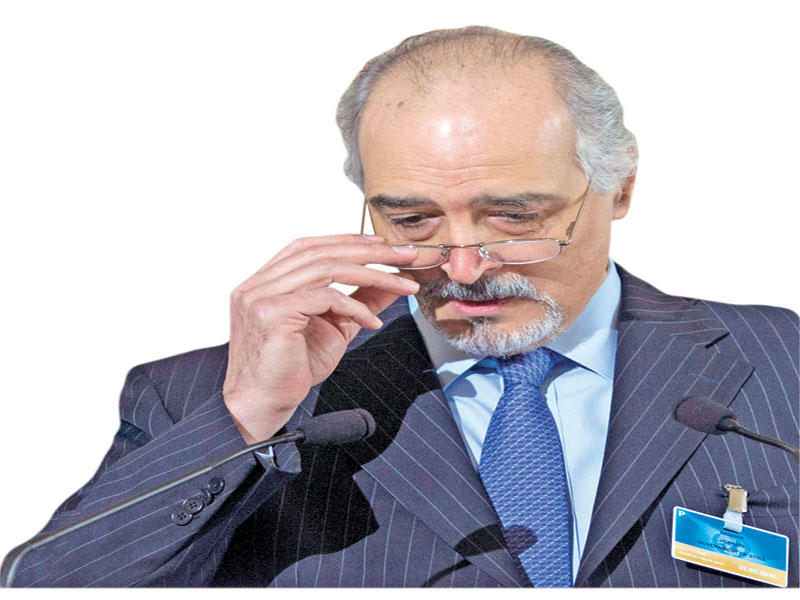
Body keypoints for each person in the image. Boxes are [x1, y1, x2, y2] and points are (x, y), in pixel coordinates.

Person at [4, 26, 797, 588]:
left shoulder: (779, 362)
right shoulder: (199, 399)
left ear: (619, 187)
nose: (464, 267)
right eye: (413, 221)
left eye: (514, 218)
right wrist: (242, 419)